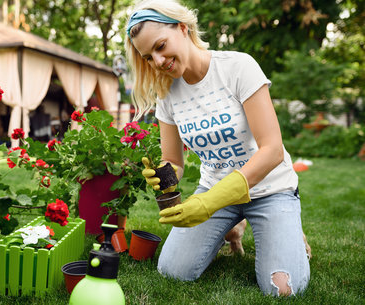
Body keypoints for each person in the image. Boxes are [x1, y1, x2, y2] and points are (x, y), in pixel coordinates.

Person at [125, 0, 310, 297]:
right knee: (173, 270)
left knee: (282, 289)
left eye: (160, 46)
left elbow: (273, 150)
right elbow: (174, 160)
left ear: (183, 28)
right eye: (148, 57)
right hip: (217, 193)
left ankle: (288, 230)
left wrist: (209, 203)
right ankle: (233, 227)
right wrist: (163, 174)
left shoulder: (237, 67)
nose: (158, 61)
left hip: (270, 190)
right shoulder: (167, 93)